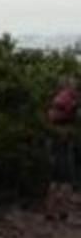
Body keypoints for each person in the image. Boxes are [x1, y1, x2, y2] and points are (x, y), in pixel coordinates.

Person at [45, 77, 78, 221]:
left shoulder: (58, 99)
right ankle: (61, 211)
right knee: (65, 178)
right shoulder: (67, 99)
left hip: (56, 139)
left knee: (56, 178)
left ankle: (52, 211)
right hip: (62, 140)